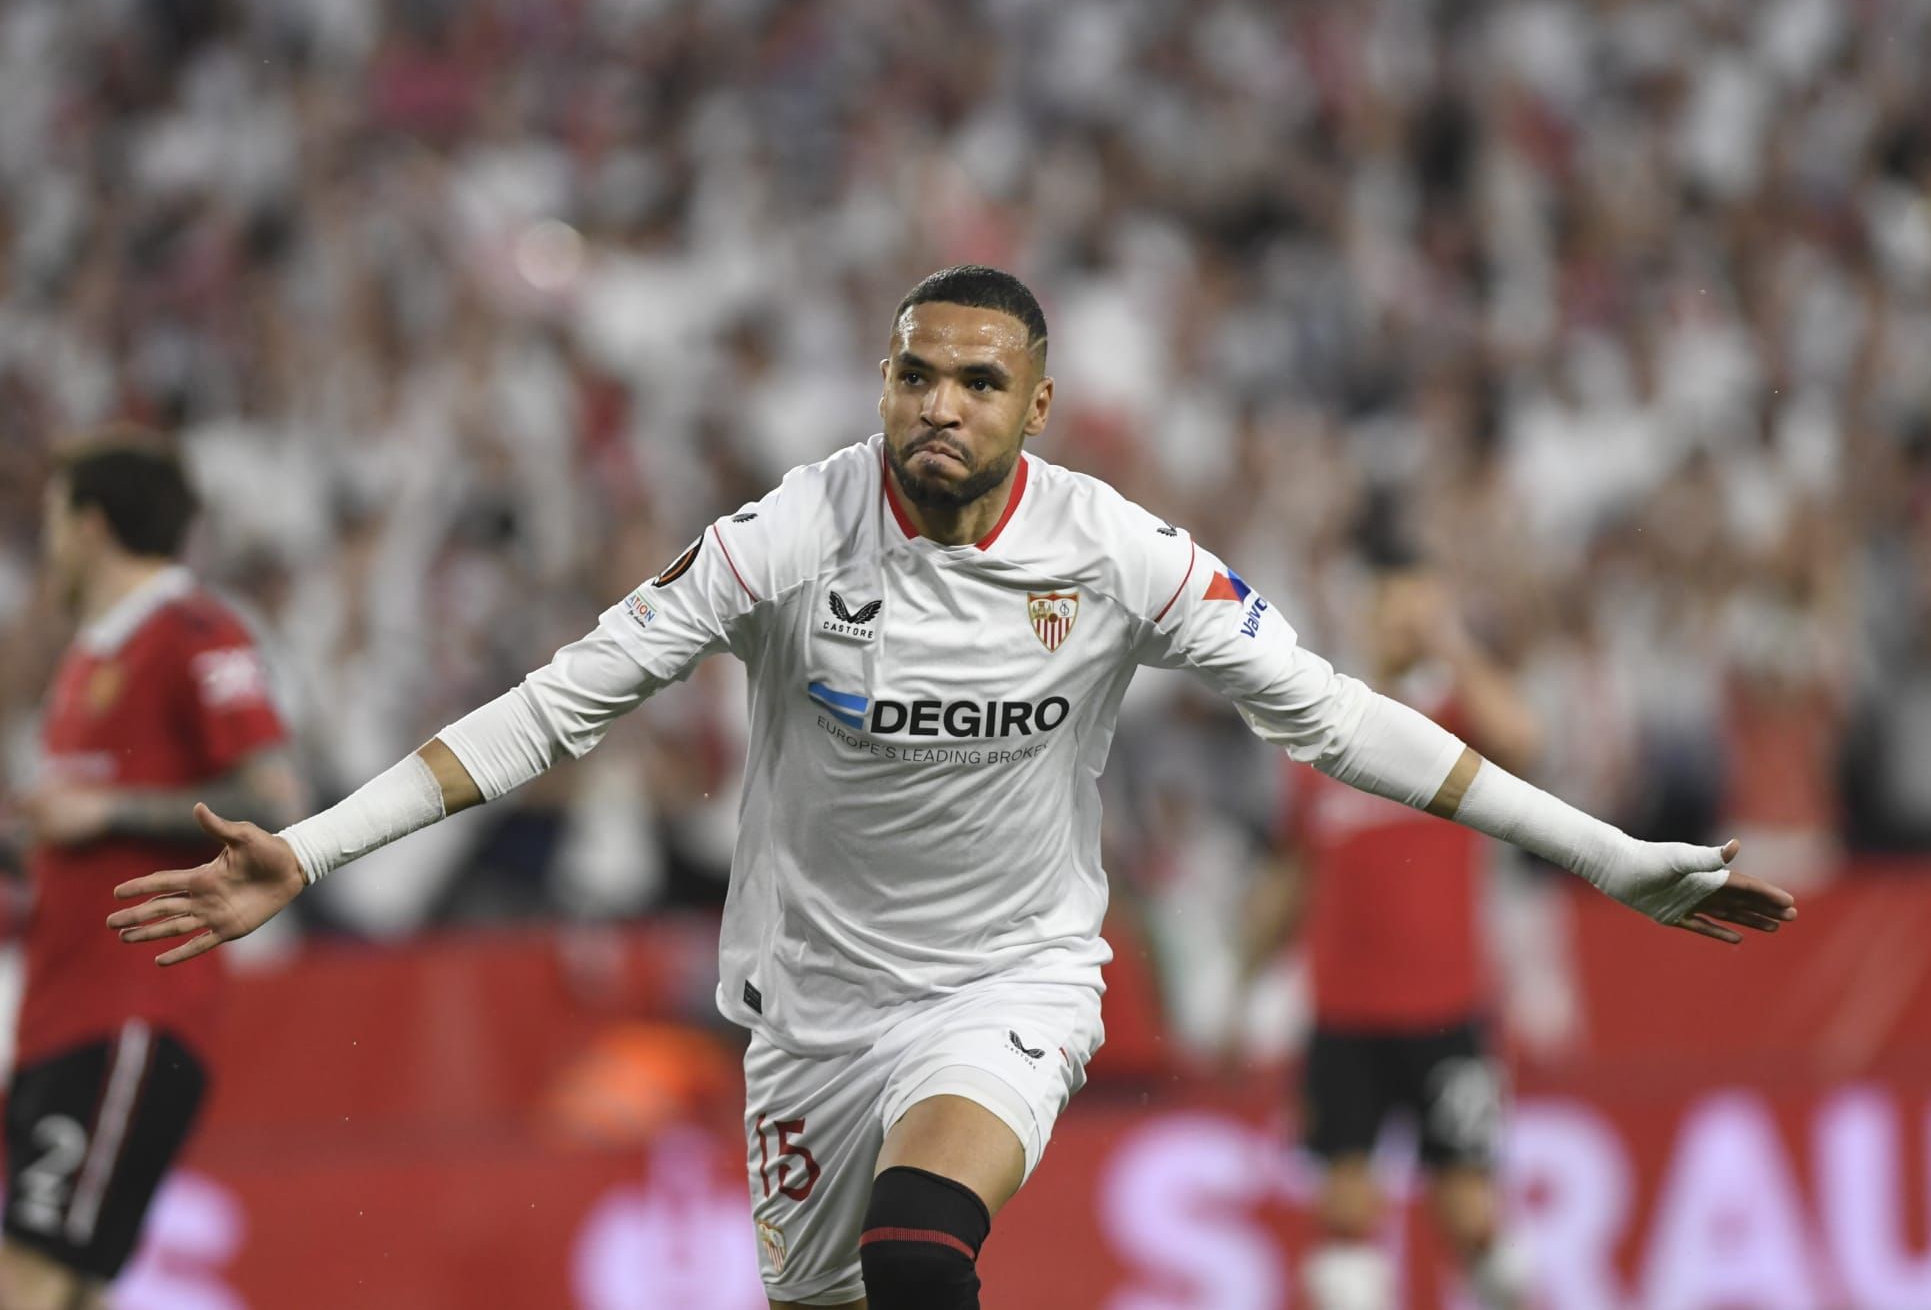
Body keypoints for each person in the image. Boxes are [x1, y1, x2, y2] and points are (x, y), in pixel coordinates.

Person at [107, 266, 1796, 1310]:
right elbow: (559, 708)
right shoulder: (788, 535)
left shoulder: (1118, 553)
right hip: (809, 1009)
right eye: (913, 372)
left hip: (1006, 984)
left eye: (976, 380)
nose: (936, 404)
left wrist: (1601, 853)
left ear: (1036, 407)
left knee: (926, 1255)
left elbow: (1345, 720)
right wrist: (309, 856)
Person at [5, 433, 301, 1310]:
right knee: (73, 1286)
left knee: (27, 1272)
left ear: (90, 527)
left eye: (54, 519)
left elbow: (275, 795)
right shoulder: (93, 656)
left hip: (129, 1011)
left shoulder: (195, 629)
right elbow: (78, 838)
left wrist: (108, 810)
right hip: (63, 1014)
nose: (46, 541)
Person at [1239, 535, 1541, 1310]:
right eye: (1387, 606)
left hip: (1446, 1010)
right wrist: (1239, 984)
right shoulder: (1324, 726)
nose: (1399, 622)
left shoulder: (1455, 716)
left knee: (1474, 1222)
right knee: (1344, 1228)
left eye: (1414, 606)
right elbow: (1290, 872)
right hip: (1343, 1015)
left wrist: (1451, 642)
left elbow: (1524, 739)